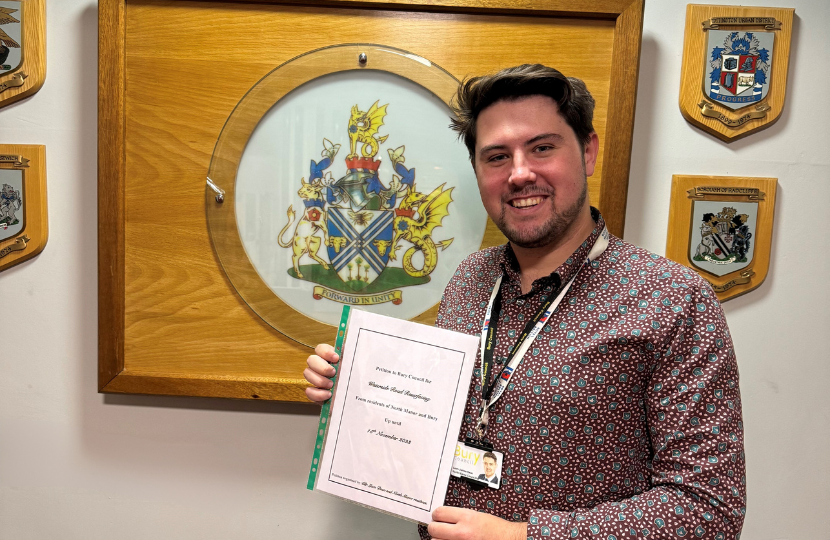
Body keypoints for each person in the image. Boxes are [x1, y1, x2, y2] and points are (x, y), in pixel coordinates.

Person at [304, 64, 746, 540]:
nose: (519, 174)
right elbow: (434, 418)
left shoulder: (673, 300)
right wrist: (356, 386)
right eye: (497, 156)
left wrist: (525, 537)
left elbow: (709, 510)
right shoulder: (469, 279)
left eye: (542, 147)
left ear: (588, 151)